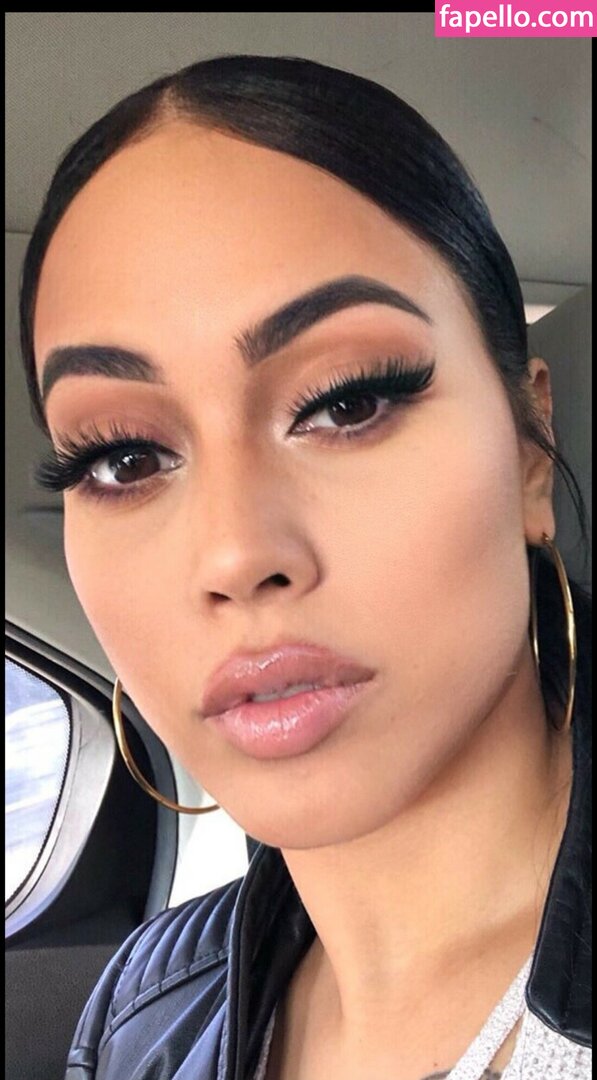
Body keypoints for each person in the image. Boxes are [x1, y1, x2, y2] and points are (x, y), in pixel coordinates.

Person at [19, 54, 590, 1080]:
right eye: (125, 458)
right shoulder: (139, 1015)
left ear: (529, 451)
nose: (236, 554)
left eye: (346, 402)